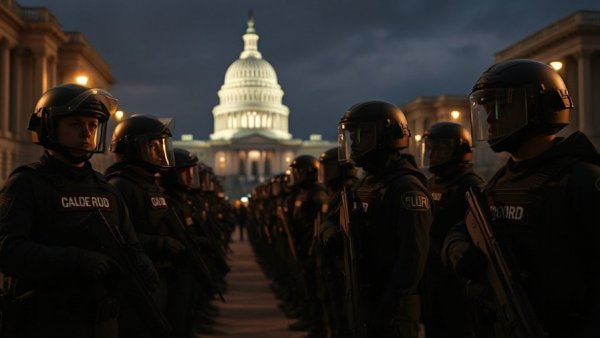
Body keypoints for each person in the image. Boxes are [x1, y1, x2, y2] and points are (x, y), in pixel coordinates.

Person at [443, 59, 600, 338]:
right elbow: (460, 229)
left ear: (538, 107)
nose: (489, 119)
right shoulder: (498, 182)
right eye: (486, 108)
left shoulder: (582, 180)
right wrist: (458, 248)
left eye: (500, 106)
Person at [0, 84, 158, 338]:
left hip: (103, 324)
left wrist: (141, 263)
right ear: (49, 126)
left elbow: (130, 243)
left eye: (93, 126)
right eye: (75, 124)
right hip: (47, 323)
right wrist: (75, 260)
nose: (87, 133)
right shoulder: (26, 184)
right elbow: (6, 248)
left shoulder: (106, 190)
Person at [337, 100, 433, 337]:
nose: (353, 143)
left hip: (392, 308)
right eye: (351, 136)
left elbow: (411, 259)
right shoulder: (368, 183)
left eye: (361, 135)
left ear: (387, 136)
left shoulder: (406, 187)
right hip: (367, 295)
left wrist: (387, 308)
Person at [105, 114, 191, 338]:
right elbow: (117, 238)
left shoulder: (149, 186)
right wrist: (160, 243)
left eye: (160, 146)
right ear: (134, 148)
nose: (158, 152)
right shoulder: (120, 186)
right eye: (152, 146)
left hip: (158, 274)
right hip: (136, 282)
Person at [420, 122, 484, 338]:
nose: (432, 154)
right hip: (431, 278)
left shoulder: (470, 185)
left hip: (457, 282)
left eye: (440, 148)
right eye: (430, 147)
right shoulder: (430, 184)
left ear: (460, 150)